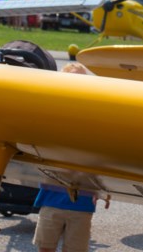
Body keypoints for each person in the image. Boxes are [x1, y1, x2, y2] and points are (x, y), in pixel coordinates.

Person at [32, 62, 110, 252]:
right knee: (45, 248)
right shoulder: (53, 114)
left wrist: (106, 189)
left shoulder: (93, 117)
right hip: (52, 198)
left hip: (82, 202)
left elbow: (103, 155)